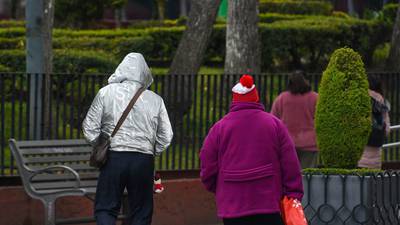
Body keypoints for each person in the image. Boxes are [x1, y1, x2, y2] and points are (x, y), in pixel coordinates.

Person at [82, 53, 173, 225]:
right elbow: (166, 135)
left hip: (114, 158)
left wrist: (102, 146)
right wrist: (152, 150)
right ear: (145, 73)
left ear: (121, 69)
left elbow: (89, 128)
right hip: (143, 160)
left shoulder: (105, 93)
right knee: (141, 210)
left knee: (106, 208)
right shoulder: (156, 100)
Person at [200, 74, 303, 225]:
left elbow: (207, 162)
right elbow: (290, 162)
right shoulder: (274, 124)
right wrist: (294, 192)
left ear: (234, 100)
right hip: (268, 202)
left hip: (232, 203)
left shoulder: (219, 128)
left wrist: (218, 187)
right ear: (256, 97)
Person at [271, 71, 319, 168]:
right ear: (306, 81)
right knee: (307, 177)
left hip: (287, 143)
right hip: (310, 144)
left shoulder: (282, 98)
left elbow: (272, 120)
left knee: (289, 176)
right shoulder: (315, 98)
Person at [358, 75, 390, 169]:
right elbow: (387, 130)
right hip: (376, 157)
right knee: (374, 182)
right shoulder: (383, 103)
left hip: (360, 156)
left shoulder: (360, 99)